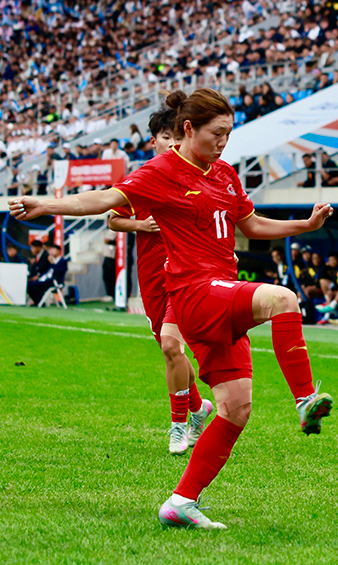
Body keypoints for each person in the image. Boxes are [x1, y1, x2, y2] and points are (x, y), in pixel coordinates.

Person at [9, 88, 334, 530]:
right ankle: (305, 400)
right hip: (195, 294)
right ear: (187, 129)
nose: (223, 142)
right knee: (284, 298)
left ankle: (181, 502)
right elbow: (103, 201)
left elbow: (252, 226)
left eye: (229, 133)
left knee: (235, 408)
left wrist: (305, 224)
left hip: (221, 289)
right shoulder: (162, 170)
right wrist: (46, 204)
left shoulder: (225, 174)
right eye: (216, 133)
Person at [107, 107, 213, 454]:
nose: (171, 144)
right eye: (165, 138)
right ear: (153, 141)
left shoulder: (194, 177)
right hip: (151, 276)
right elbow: (113, 219)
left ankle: (178, 425)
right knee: (170, 351)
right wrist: (141, 224)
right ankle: (199, 408)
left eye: (176, 137)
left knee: (172, 346)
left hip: (184, 274)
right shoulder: (143, 179)